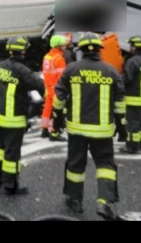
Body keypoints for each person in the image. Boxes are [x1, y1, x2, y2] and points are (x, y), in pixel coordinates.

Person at [52, 32, 126, 220]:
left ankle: (75, 201)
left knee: (75, 164)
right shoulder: (111, 71)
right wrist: (122, 127)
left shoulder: (71, 69)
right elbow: (119, 103)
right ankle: (105, 202)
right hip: (102, 131)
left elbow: (59, 97)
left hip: (76, 129)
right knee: (105, 165)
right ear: (100, 51)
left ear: (81, 51)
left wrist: (57, 119)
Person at [0, 35, 45, 195]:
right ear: (23, 52)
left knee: (1, 147)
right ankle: (11, 185)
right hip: (13, 119)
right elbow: (40, 86)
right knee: (12, 153)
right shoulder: (22, 70)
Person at [120, 35, 141, 154]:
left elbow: (127, 78)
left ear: (134, 47)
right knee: (140, 124)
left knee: (132, 124)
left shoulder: (132, 61)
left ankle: (131, 147)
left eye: (131, 45)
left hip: (134, 98)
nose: (130, 47)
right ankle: (140, 145)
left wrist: (117, 79)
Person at [40, 34, 70, 141]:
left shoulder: (47, 56)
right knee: (57, 110)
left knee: (47, 107)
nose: (65, 47)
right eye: (63, 45)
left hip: (48, 86)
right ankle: (54, 131)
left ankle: (44, 129)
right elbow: (63, 77)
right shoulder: (59, 59)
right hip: (57, 88)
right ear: (58, 46)